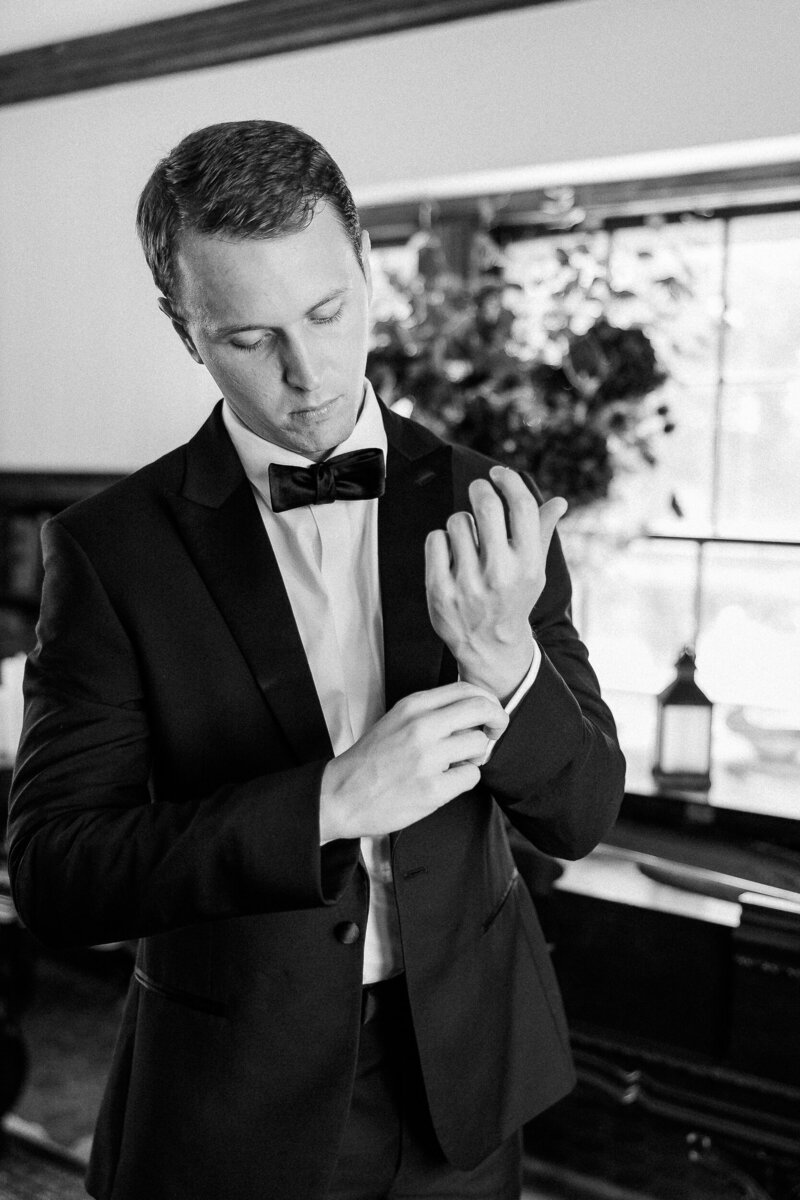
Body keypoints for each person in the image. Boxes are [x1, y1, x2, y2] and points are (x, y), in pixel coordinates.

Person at [6, 120, 625, 1200]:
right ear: (184, 330)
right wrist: (329, 802)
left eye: (327, 313)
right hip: (225, 1106)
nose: (306, 373)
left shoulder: (494, 504)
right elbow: (60, 874)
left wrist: (509, 666)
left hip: (462, 1095)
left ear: (366, 273)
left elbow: (579, 814)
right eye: (247, 338)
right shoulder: (110, 553)